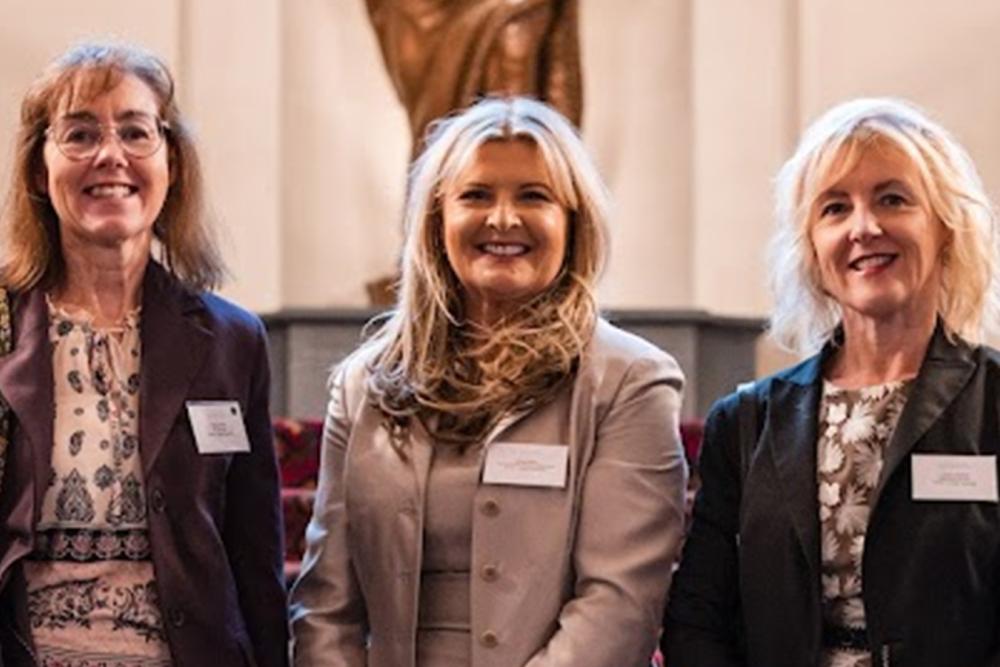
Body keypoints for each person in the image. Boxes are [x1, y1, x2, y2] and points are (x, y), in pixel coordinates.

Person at [290, 96, 687, 667]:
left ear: (573, 222)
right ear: (436, 218)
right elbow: (326, 604)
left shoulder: (630, 382)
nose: (503, 219)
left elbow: (618, 604)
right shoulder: (363, 385)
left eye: (534, 196)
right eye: (476, 195)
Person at [663, 97, 1000, 666]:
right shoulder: (746, 422)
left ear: (946, 226)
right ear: (812, 250)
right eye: (835, 208)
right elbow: (698, 618)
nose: (864, 227)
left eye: (892, 199)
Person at [0, 43, 288, 666]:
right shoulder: (2, 325)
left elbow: (254, 555)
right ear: (36, 171)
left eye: (136, 131)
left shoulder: (233, 341)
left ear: (172, 164)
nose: (111, 155)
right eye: (80, 134)